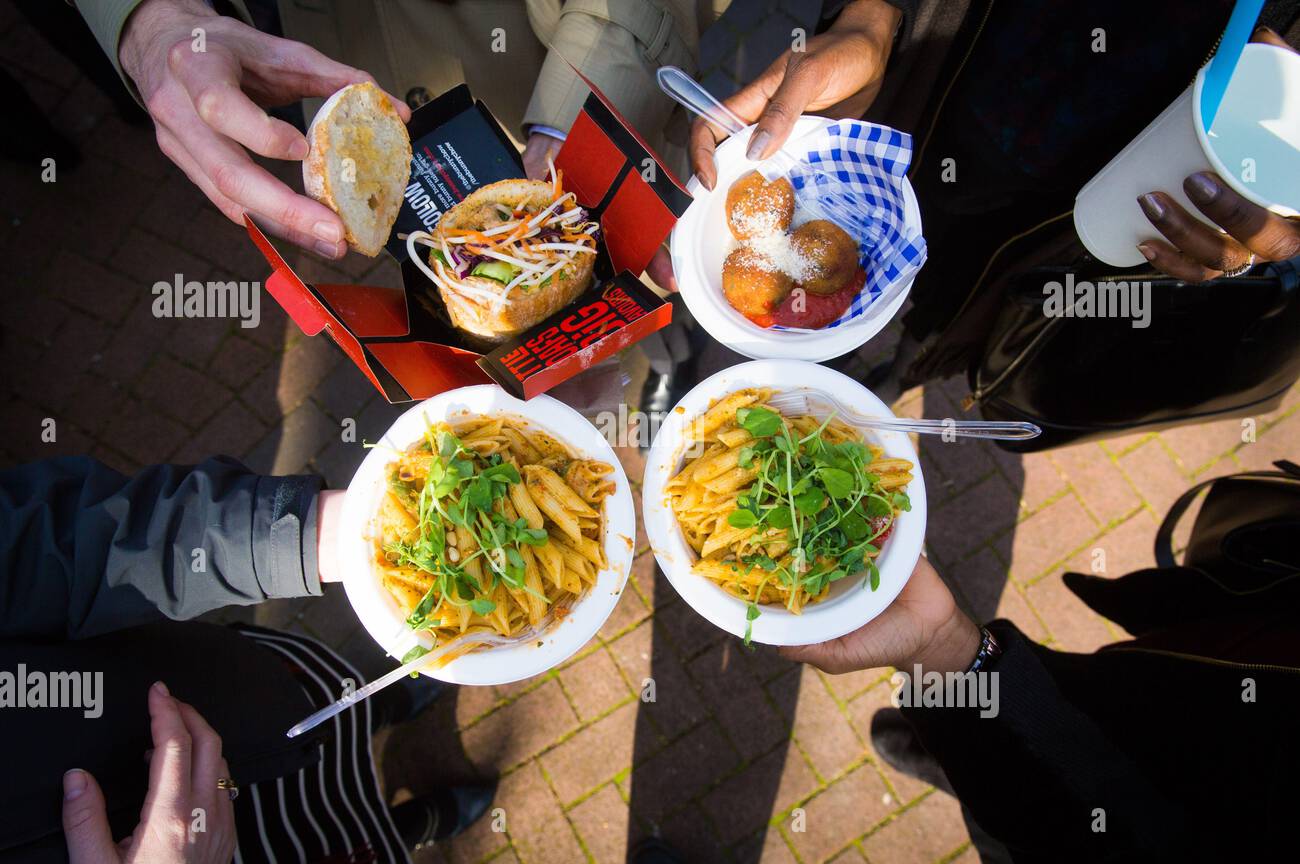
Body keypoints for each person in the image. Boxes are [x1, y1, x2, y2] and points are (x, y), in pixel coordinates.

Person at [683, 0, 1300, 385]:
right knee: (806, 337)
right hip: (921, 94)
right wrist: (871, 16)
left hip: (1081, 204)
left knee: (933, 318)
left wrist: (1267, 209)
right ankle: (723, 373)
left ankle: (887, 367)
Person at [0, 456, 492, 864]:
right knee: (354, 849)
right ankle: (417, 824)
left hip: (230, 697)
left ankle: (384, 704)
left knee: (338, 705)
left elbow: (48, 546)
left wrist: (296, 533)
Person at [75, 0, 706, 280]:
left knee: (626, 256)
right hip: (286, 49)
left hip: (542, 66)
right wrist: (153, 18)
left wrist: (568, 125)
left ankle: (653, 365)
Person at [780, 552, 1300, 864]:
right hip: (1193, 672)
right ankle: (956, 747)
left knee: (1013, 815)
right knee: (1071, 706)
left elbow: (1123, 848)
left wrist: (946, 654)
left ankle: (961, 761)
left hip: (1098, 807)